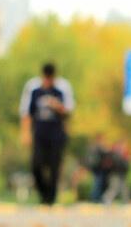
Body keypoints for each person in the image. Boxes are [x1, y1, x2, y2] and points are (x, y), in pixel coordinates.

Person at [19, 62, 75, 205]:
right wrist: (25, 133)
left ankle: (51, 199)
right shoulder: (34, 90)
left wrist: (57, 106)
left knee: (55, 166)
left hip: (56, 134)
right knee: (36, 165)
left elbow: (69, 112)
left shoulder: (61, 89)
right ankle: (44, 194)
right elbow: (26, 113)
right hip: (39, 134)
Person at [102, 140, 131, 205]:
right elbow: (115, 164)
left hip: (122, 174)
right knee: (114, 188)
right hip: (115, 174)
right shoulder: (114, 154)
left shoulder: (124, 154)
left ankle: (125, 201)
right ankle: (107, 199)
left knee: (124, 188)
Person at [84, 133, 110, 202]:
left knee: (98, 183)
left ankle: (96, 198)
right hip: (98, 168)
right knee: (98, 183)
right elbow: (104, 154)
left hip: (96, 168)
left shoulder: (93, 146)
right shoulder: (98, 147)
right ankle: (95, 199)